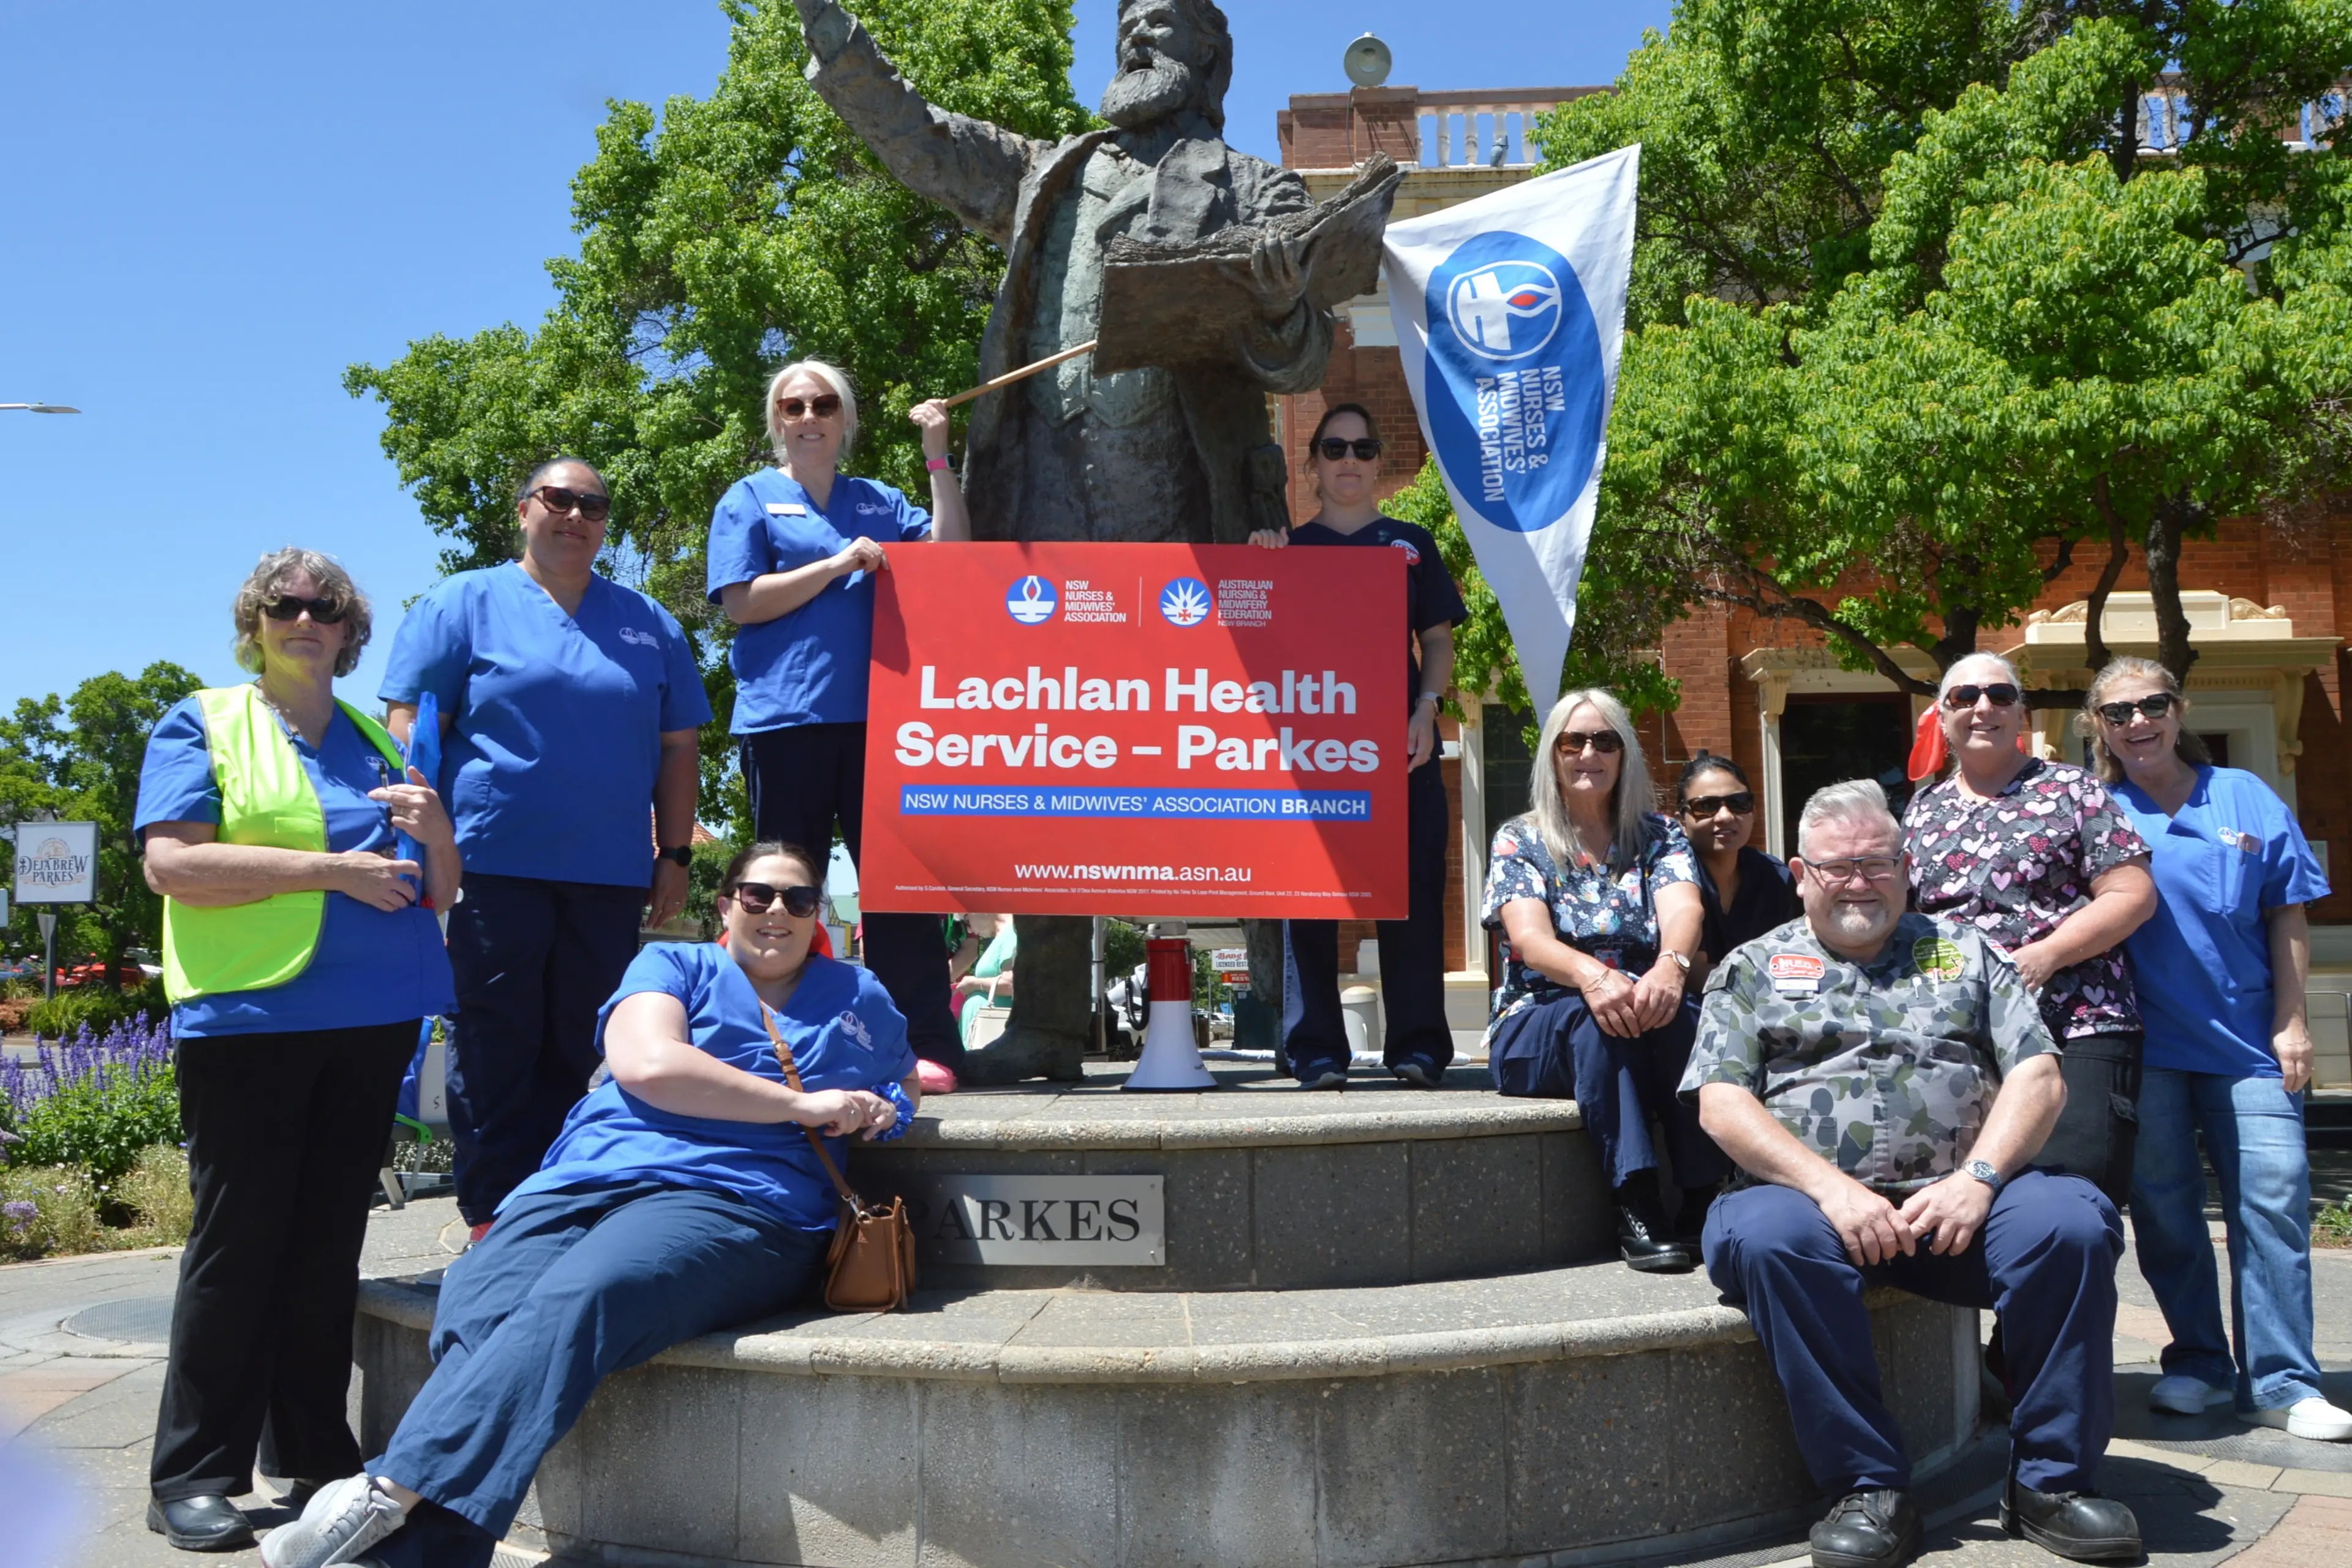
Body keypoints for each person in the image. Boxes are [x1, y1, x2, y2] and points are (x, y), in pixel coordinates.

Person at [259, 842, 919, 1568]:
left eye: (798, 900)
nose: (777, 913)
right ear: (726, 904)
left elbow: (907, 1077)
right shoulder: (674, 966)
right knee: (478, 1301)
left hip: (739, 1200)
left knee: (585, 1292)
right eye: (758, 895)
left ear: (818, 915)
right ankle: (427, 1550)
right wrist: (800, 1102)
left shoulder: (858, 994)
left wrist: (889, 1108)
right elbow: (647, 1065)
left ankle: (384, 1495)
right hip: (588, 1179)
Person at [1688, 780, 2139, 1568]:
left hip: (1960, 1205)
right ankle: (1869, 1487)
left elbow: (2039, 1072)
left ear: (1907, 868)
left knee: (2071, 1219)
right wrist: (1831, 1188)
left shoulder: (1967, 952)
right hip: (1809, 1209)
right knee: (1765, 1236)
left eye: (1878, 863)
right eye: (1838, 867)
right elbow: (1722, 1103)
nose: (1859, 881)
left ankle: (2050, 1484)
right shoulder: (1752, 967)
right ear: (1801, 872)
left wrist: (1982, 1177)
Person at [135, 549, 459, 1553]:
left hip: (370, 1022)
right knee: (240, 1246)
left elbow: (435, 892)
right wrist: (327, 869)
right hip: (250, 1023)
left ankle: (316, 1454)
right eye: (286, 605)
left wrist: (439, 829)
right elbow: (172, 864)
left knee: (326, 1243)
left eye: (326, 606)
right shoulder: (206, 721)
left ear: (349, 629)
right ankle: (194, 1472)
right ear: (257, 622)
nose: (306, 617)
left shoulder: (373, 738)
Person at [380, 458, 710, 1238]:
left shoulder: (648, 622)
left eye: (592, 504)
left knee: (578, 1042)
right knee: (497, 1041)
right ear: (523, 509)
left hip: (607, 874)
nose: (576, 514)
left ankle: (559, 1204)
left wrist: (675, 856)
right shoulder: (463, 602)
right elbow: (409, 725)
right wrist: (429, 839)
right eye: (558, 499)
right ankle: (491, 1218)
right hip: (492, 866)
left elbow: (679, 748)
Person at [2085, 657, 2352, 1442]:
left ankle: (2281, 1380)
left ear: (2180, 708)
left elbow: (2288, 915)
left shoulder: (2244, 795)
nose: (2139, 722)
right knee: (2166, 1212)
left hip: (2252, 1048)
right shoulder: (2096, 810)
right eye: (2118, 711)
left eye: (2153, 704)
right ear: (2099, 727)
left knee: (2274, 1200)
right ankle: (2199, 1362)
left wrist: (2293, 1022)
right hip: (2148, 1048)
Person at [707, 361, 968, 1091]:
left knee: (899, 894)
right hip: (784, 722)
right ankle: (779, 1041)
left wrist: (938, 457)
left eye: (825, 403)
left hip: (886, 726)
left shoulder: (878, 501)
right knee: (783, 893)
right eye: (792, 405)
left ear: (846, 420)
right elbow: (741, 603)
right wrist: (837, 563)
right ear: (776, 421)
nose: (808, 415)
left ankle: (921, 1044)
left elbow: (952, 559)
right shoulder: (750, 498)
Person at [1250, 402, 1468, 1088]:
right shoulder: (1284, 548)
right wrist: (1258, 561)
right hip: (1312, 756)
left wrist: (1427, 710)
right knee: (1307, 900)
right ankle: (1313, 1049)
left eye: (1363, 449)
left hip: (1397, 747)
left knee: (1413, 893)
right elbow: (1249, 641)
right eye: (1334, 448)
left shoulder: (1411, 544)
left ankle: (1421, 1045)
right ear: (1311, 465)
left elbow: (1436, 640)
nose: (1350, 460)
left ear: (1378, 464)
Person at [1482, 688, 1728, 1272]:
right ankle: (1637, 1201)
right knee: (1601, 1022)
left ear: (1625, 756)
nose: (1588, 753)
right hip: (1539, 1020)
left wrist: (1671, 967)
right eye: (1573, 741)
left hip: (1638, 1005)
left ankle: (1704, 1197)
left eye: (1605, 741)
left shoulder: (1659, 836)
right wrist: (1595, 977)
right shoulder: (1520, 840)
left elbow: (1683, 911)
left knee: (1684, 1019)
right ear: (1553, 755)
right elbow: (1531, 941)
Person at [1904, 652, 2156, 1206]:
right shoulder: (1921, 810)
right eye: (1964, 698)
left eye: (2000, 695)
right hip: (1961, 1038)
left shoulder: (2073, 790)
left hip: (2076, 1023)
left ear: (2023, 714)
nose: (1983, 708)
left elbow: (2133, 895)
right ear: (1942, 717)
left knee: (2069, 1201)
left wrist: (2047, 955)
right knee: (1963, 1201)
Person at [1675, 751, 1799, 986]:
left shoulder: (1776, 877)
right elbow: (1692, 973)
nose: (1725, 816)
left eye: (1739, 803)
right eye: (1706, 806)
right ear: (1682, 820)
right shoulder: (1671, 878)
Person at [954, 912, 1017, 1048]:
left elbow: (1011, 983)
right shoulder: (1002, 936)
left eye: (967, 921)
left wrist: (974, 984)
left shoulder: (1011, 934)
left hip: (993, 1035)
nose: (970, 930)